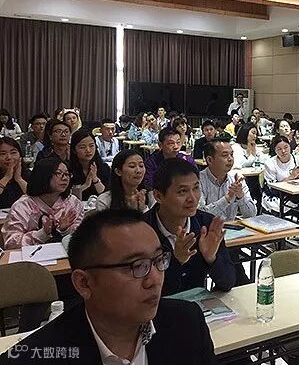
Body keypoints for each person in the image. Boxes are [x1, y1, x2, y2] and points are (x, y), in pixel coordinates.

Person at [0, 209, 218, 364]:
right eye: (136, 266)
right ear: (84, 283)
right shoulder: (35, 357)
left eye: (159, 260)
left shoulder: (187, 323)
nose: (154, 280)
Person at [145, 159, 236, 295]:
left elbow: (228, 283)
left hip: (198, 305)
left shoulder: (206, 225)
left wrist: (211, 258)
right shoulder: (141, 230)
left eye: (196, 188)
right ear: (158, 196)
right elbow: (145, 292)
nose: (192, 198)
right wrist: (177, 261)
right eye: (182, 191)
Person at [1, 157, 83, 249]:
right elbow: (10, 243)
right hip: (31, 257)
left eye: (67, 174)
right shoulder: (23, 206)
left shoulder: (73, 203)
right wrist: (42, 234)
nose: (65, 178)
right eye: (59, 173)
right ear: (43, 175)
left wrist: (64, 230)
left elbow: (81, 237)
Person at [262, 135, 299, 246]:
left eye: (286, 147)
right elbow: (272, 187)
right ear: (275, 150)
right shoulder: (270, 163)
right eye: (279, 149)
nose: (283, 151)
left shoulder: (296, 159)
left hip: (296, 194)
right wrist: (291, 177)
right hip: (277, 197)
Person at [199, 140, 256, 221]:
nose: (230, 159)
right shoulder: (198, 181)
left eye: (231, 154)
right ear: (210, 160)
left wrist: (241, 196)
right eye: (225, 155)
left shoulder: (237, 179)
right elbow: (200, 216)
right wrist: (227, 199)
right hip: (207, 228)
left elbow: (252, 215)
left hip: (232, 227)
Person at [70, 129, 110, 201]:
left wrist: (95, 179)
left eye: (91, 146)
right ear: (74, 150)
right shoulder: (68, 169)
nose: (88, 150)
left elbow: (106, 195)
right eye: (82, 147)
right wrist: (85, 185)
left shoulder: (104, 168)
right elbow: (68, 197)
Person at [0, 138, 29, 209]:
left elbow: (36, 199)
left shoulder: (28, 173)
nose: (9, 157)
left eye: (13, 153)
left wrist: (19, 179)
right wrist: (6, 178)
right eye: (3, 154)